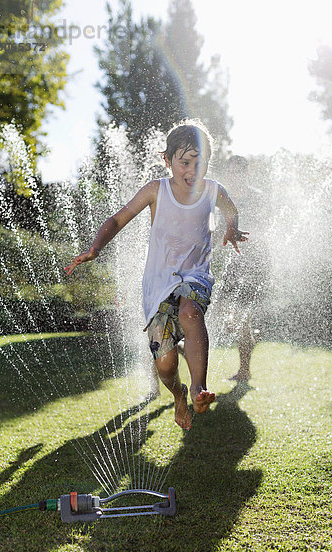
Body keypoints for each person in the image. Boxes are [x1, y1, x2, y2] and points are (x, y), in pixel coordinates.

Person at [65, 121, 248, 431]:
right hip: (157, 287)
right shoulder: (156, 190)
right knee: (165, 364)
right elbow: (117, 219)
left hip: (195, 278)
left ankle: (197, 389)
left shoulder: (213, 190)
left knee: (191, 313)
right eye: (185, 162)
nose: (192, 170)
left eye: (199, 163)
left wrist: (231, 228)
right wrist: (96, 248)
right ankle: (177, 394)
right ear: (168, 160)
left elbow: (230, 209)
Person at [215, 155, 271, 383]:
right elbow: (219, 231)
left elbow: (265, 230)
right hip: (232, 264)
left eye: (238, 171)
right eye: (230, 171)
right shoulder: (222, 199)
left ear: (246, 174)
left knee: (241, 320)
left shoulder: (257, 198)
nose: (233, 176)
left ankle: (244, 370)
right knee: (223, 312)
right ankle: (247, 338)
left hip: (254, 264)